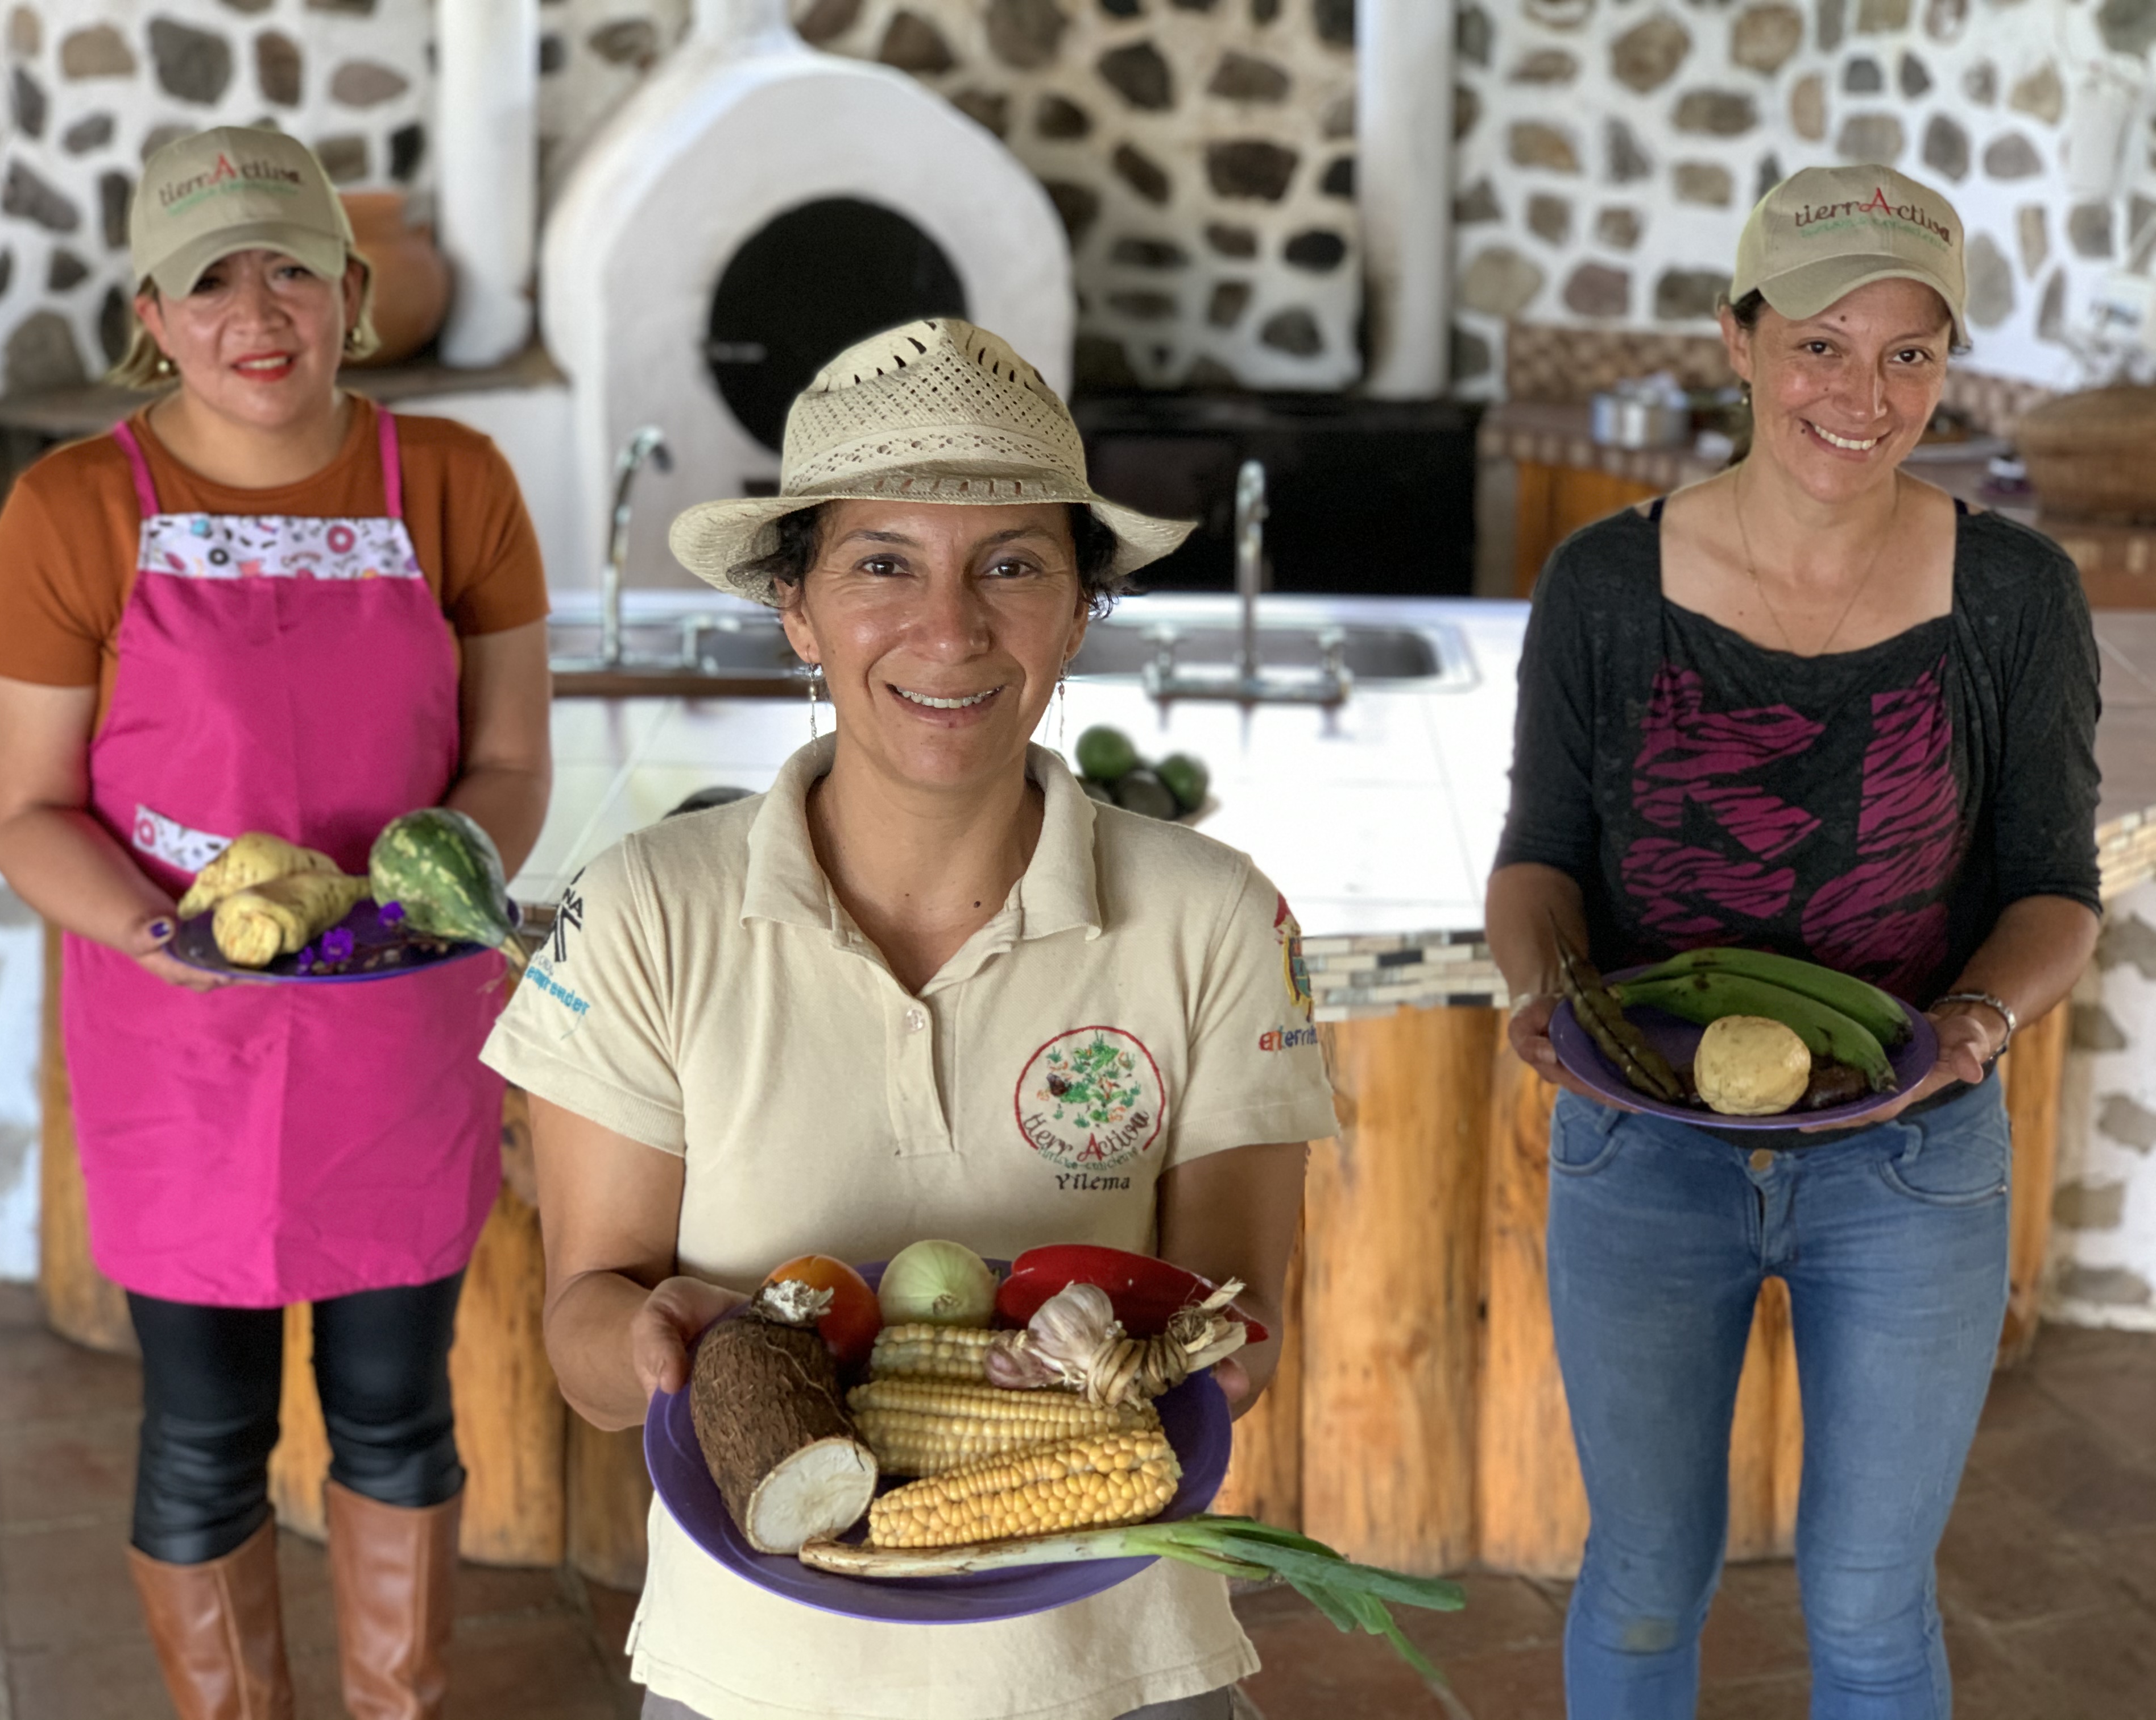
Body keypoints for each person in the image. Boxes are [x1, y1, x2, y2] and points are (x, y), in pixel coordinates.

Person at [481, 318, 1334, 1720]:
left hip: (1117, 1665)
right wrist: (650, 1345)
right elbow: (588, 1317)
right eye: (884, 564)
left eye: (1011, 566)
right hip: (757, 1671)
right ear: (796, 608)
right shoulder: (643, 912)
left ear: (1075, 611)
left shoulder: (1214, 915)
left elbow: (1240, 1333)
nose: (951, 628)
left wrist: (1186, 1361)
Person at [1486, 163, 2102, 1719]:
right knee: (1639, 1582)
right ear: (1740, 339)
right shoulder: (1606, 586)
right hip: (1644, 1148)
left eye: (1912, 352)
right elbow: (1542, 860)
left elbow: (2052, 890)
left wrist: (1966, 1031)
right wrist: (1539, 997)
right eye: (1824, 341)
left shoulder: (2016, 594)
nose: (1866, 391)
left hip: (1913, 1157)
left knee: (1872, 1606)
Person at [0, 127, 552, 1720]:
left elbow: (505, 761)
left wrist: (438, 893)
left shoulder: (453, 485)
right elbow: (26, 808)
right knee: (206, 1427)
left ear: (353, 291)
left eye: (288, 264)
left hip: (402, 1030)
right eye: (206, 279)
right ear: (149, 316)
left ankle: (398, 1706)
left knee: (393, 1407)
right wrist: (162, 938)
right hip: (182, 1037)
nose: (255, 309)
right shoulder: (71, 511)